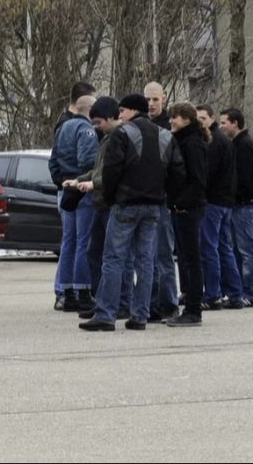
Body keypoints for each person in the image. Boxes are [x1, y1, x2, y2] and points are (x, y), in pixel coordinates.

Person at [80, 94, 185, 332]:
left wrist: (110, 197)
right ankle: (140, 315)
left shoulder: (122, 133)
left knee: (113, 259)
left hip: (126, 204)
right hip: (154, 205)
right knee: (146, 261)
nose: (120, 114)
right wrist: (165, 195)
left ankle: (106, 315)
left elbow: (111, 170)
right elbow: (178, 171)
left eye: (123, 110)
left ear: (133, 111)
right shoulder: (166, 135)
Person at [66, 97, 134, 320]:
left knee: (114, 257)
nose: (95, 127)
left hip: (111, 203)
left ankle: (120, 301)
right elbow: (98, 169)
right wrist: (79, 180)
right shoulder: (105, 138)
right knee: (95, 253)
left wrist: (94, 184)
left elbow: (113, 173)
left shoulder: (119, 138)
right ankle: (103, 299)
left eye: (98, 122)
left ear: (112, 118)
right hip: (101, 203)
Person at [49, 91, 99, 312]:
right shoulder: (86, 129)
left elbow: (53, 163)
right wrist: (83, 179)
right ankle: (83, 291)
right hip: (81, 190)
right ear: (90, 110)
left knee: (68, 242)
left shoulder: (62, 128)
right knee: (83, 242)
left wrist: (62, 182)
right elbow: (87, 160)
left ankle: (66, 291)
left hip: (65, 191)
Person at [195, 105, 245, 310]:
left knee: (210, 248)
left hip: (214, 202)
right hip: (224, 202)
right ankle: (234, 293)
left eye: (203, 118)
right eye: (197, 118)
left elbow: (208, 173)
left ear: (211, 118)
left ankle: (213, 294)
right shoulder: (223, 139)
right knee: (224, 248)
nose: (200, 122)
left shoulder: (214, 140)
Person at [166, 102, 209, 327]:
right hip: (181, 208)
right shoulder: (183, 140)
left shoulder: (192, 144)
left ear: (187, 119)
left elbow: (198, 181)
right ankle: (189, 306)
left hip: (189, 210)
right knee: (185, 260)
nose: (172, 120)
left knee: (192, 260)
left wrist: (180, 202)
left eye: (176, 117)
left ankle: (193, 310)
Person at [220, 108, 253, 307]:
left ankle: (251, 293)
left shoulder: (243, 146)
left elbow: (243, 178)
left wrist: (232, 194)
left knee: (246, 250)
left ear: (235, 123)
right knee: (238, 250)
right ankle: (240, 290)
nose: (221, 126)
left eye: (224, 123)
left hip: (245, 206)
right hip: (241, 204)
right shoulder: (237, 144)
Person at [144, 81, 179, 322]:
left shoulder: (170, 127)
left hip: (163, 199)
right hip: (146, 197)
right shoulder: (142, 126)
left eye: (155, 99)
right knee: (147, 255)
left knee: (164, 254)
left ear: (163, 99)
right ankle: (152, 302)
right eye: (148, 100)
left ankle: (169, 303)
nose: (152, 104)